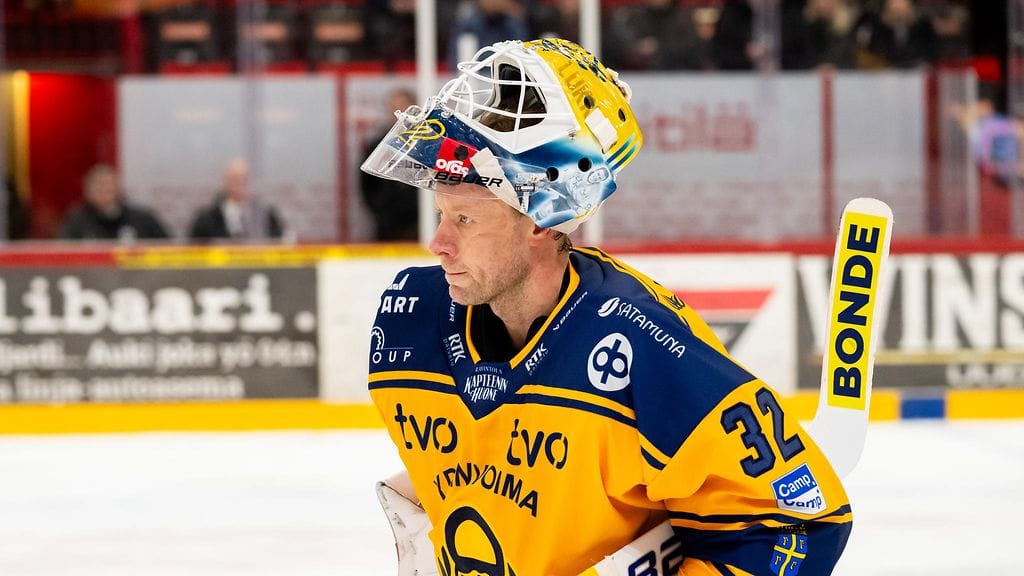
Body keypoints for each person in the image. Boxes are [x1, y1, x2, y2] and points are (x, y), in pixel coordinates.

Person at [361, 38, 852, 575]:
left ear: (542, 219)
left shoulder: (642, 342)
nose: (438, 244)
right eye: (441, 213)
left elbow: (795, 526)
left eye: (466, 220)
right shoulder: (410, 318)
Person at [360, 88, 420, 241]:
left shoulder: (428, 144)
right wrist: (381, 210)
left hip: (420, 222)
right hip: (388, 224)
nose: (398, 114)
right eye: (394, 108)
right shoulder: (377, 145)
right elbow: (367, 183)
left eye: (403, 107)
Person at [58, 164, 170, 241]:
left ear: (119, 187)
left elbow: (169, 249)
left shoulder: (143, 218)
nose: (104, 190)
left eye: (108, 184)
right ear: (87, 191)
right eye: (98, 185)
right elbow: (62, 253)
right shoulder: (76, 221)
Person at [188, 158, 285, 243]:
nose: (240, 183)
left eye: (245, 179)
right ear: (225, 181)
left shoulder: (267, 217)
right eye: (235, 178)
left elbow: (280, 246)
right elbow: (192, 251)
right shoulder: (206, 220)